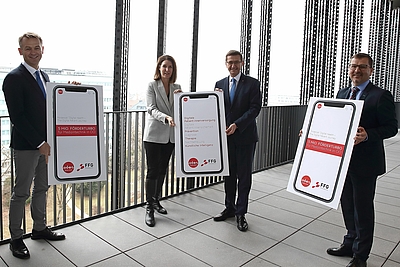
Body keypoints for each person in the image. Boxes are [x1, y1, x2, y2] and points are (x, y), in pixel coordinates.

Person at [326, 53, 398, 267]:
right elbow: (334, 122)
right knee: (347, 204)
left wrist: (368, 135)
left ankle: (361, 255)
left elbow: (391, 127)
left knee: (363, 208)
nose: (357, 71)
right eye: (353, 66)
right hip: (343, 161)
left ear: (371, 70)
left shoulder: (380, 95)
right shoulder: (342, 93)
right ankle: (349, 242)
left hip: (366, 163)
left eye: (362, 67)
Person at [2, 32, 66, 259]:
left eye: (36, 47)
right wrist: (40, 143)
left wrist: (71, 90)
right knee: (21, 193)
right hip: (27, 146)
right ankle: (16, 239)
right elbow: (17, 117)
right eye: (28, 48)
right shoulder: (13, 78)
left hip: (45, 146)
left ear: (42, 49)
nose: (33, 52)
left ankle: (39, 228)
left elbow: (50, 108)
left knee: (42, 188)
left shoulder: (45, 77)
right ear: (20, 51)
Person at [213, 50, 262, 232]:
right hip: (226, 137)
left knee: (244, 177)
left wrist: (237, 124)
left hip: (245, 137)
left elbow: (255, 109)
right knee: (229, 175)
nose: (233, 66)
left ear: (242, 63)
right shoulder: (219, 84)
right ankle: (230, 208)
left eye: (236, 62)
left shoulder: (252, 83)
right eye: (229, 62)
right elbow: (216, 109)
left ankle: (241, 213)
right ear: (225, 64)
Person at [143, 55, 181, 227]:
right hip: (154, 135)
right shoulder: (152, 86)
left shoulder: (177, 87)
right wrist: (166, 117)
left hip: (170, 136)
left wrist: (183, 99)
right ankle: (149, 207)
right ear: (159, 68)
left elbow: (181, 108)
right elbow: (151, 108)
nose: (167, 69)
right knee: (152, 171)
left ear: (173, 70)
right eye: (164, 66)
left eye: (170, 67)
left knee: (162, 170)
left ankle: (157, 200)